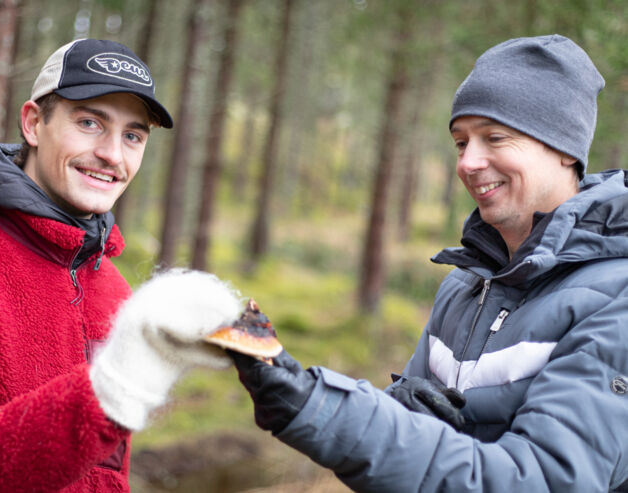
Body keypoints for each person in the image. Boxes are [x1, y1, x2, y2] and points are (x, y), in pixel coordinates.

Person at [231, 34, 628, 491]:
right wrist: (398, 409)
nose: (468, 162)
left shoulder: (614, 300)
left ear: (565, 150)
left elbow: (541, 480)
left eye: (495, 137)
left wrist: (323, 410)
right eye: (461, 143)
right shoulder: (465, 286)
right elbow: (424, 451)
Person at [0, 39, 238, 492]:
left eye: (133, 135)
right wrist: (113, 389)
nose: (113, 154)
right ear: (34, 123)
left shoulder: (112, 289)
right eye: (90, 122)